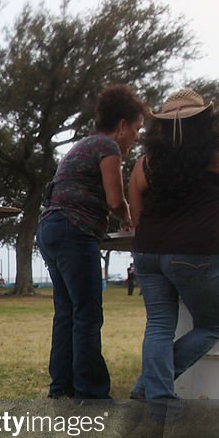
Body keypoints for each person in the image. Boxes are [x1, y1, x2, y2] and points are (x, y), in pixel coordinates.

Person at [129, 88, 219, 400]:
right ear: (207, 119)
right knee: (211, 325)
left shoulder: (145, 163)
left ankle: (154, 394)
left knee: (158, 326)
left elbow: (136, 217)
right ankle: (150, 389)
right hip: (196, 252)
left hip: (147, 253)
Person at [35, 84, 145, 399]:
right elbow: (114, 200)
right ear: (122, 125)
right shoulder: (107, 148)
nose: (136, 137)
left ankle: (62, 388)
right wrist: (129, 219)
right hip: (74, 231)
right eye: (136, 129)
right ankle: (91, 393)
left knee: (67, 313)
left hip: (50, 229)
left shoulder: (81, 146)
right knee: (87, 314)